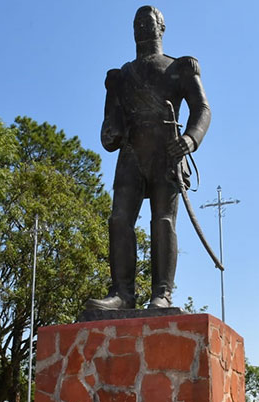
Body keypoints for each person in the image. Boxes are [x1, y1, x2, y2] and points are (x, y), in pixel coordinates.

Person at [86, 5, 211, 310]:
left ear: (161, 28)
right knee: (119, 219)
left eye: (148, 22)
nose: (142, 27)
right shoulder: (120, 76)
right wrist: (110, 132)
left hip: (167, 152)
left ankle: (162, 293)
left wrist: (190, 139)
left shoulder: (178, 67)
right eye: (138, 23)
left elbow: (202, 109)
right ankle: (122, 293)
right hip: (131, 153)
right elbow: (111, 122)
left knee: (163, 221)